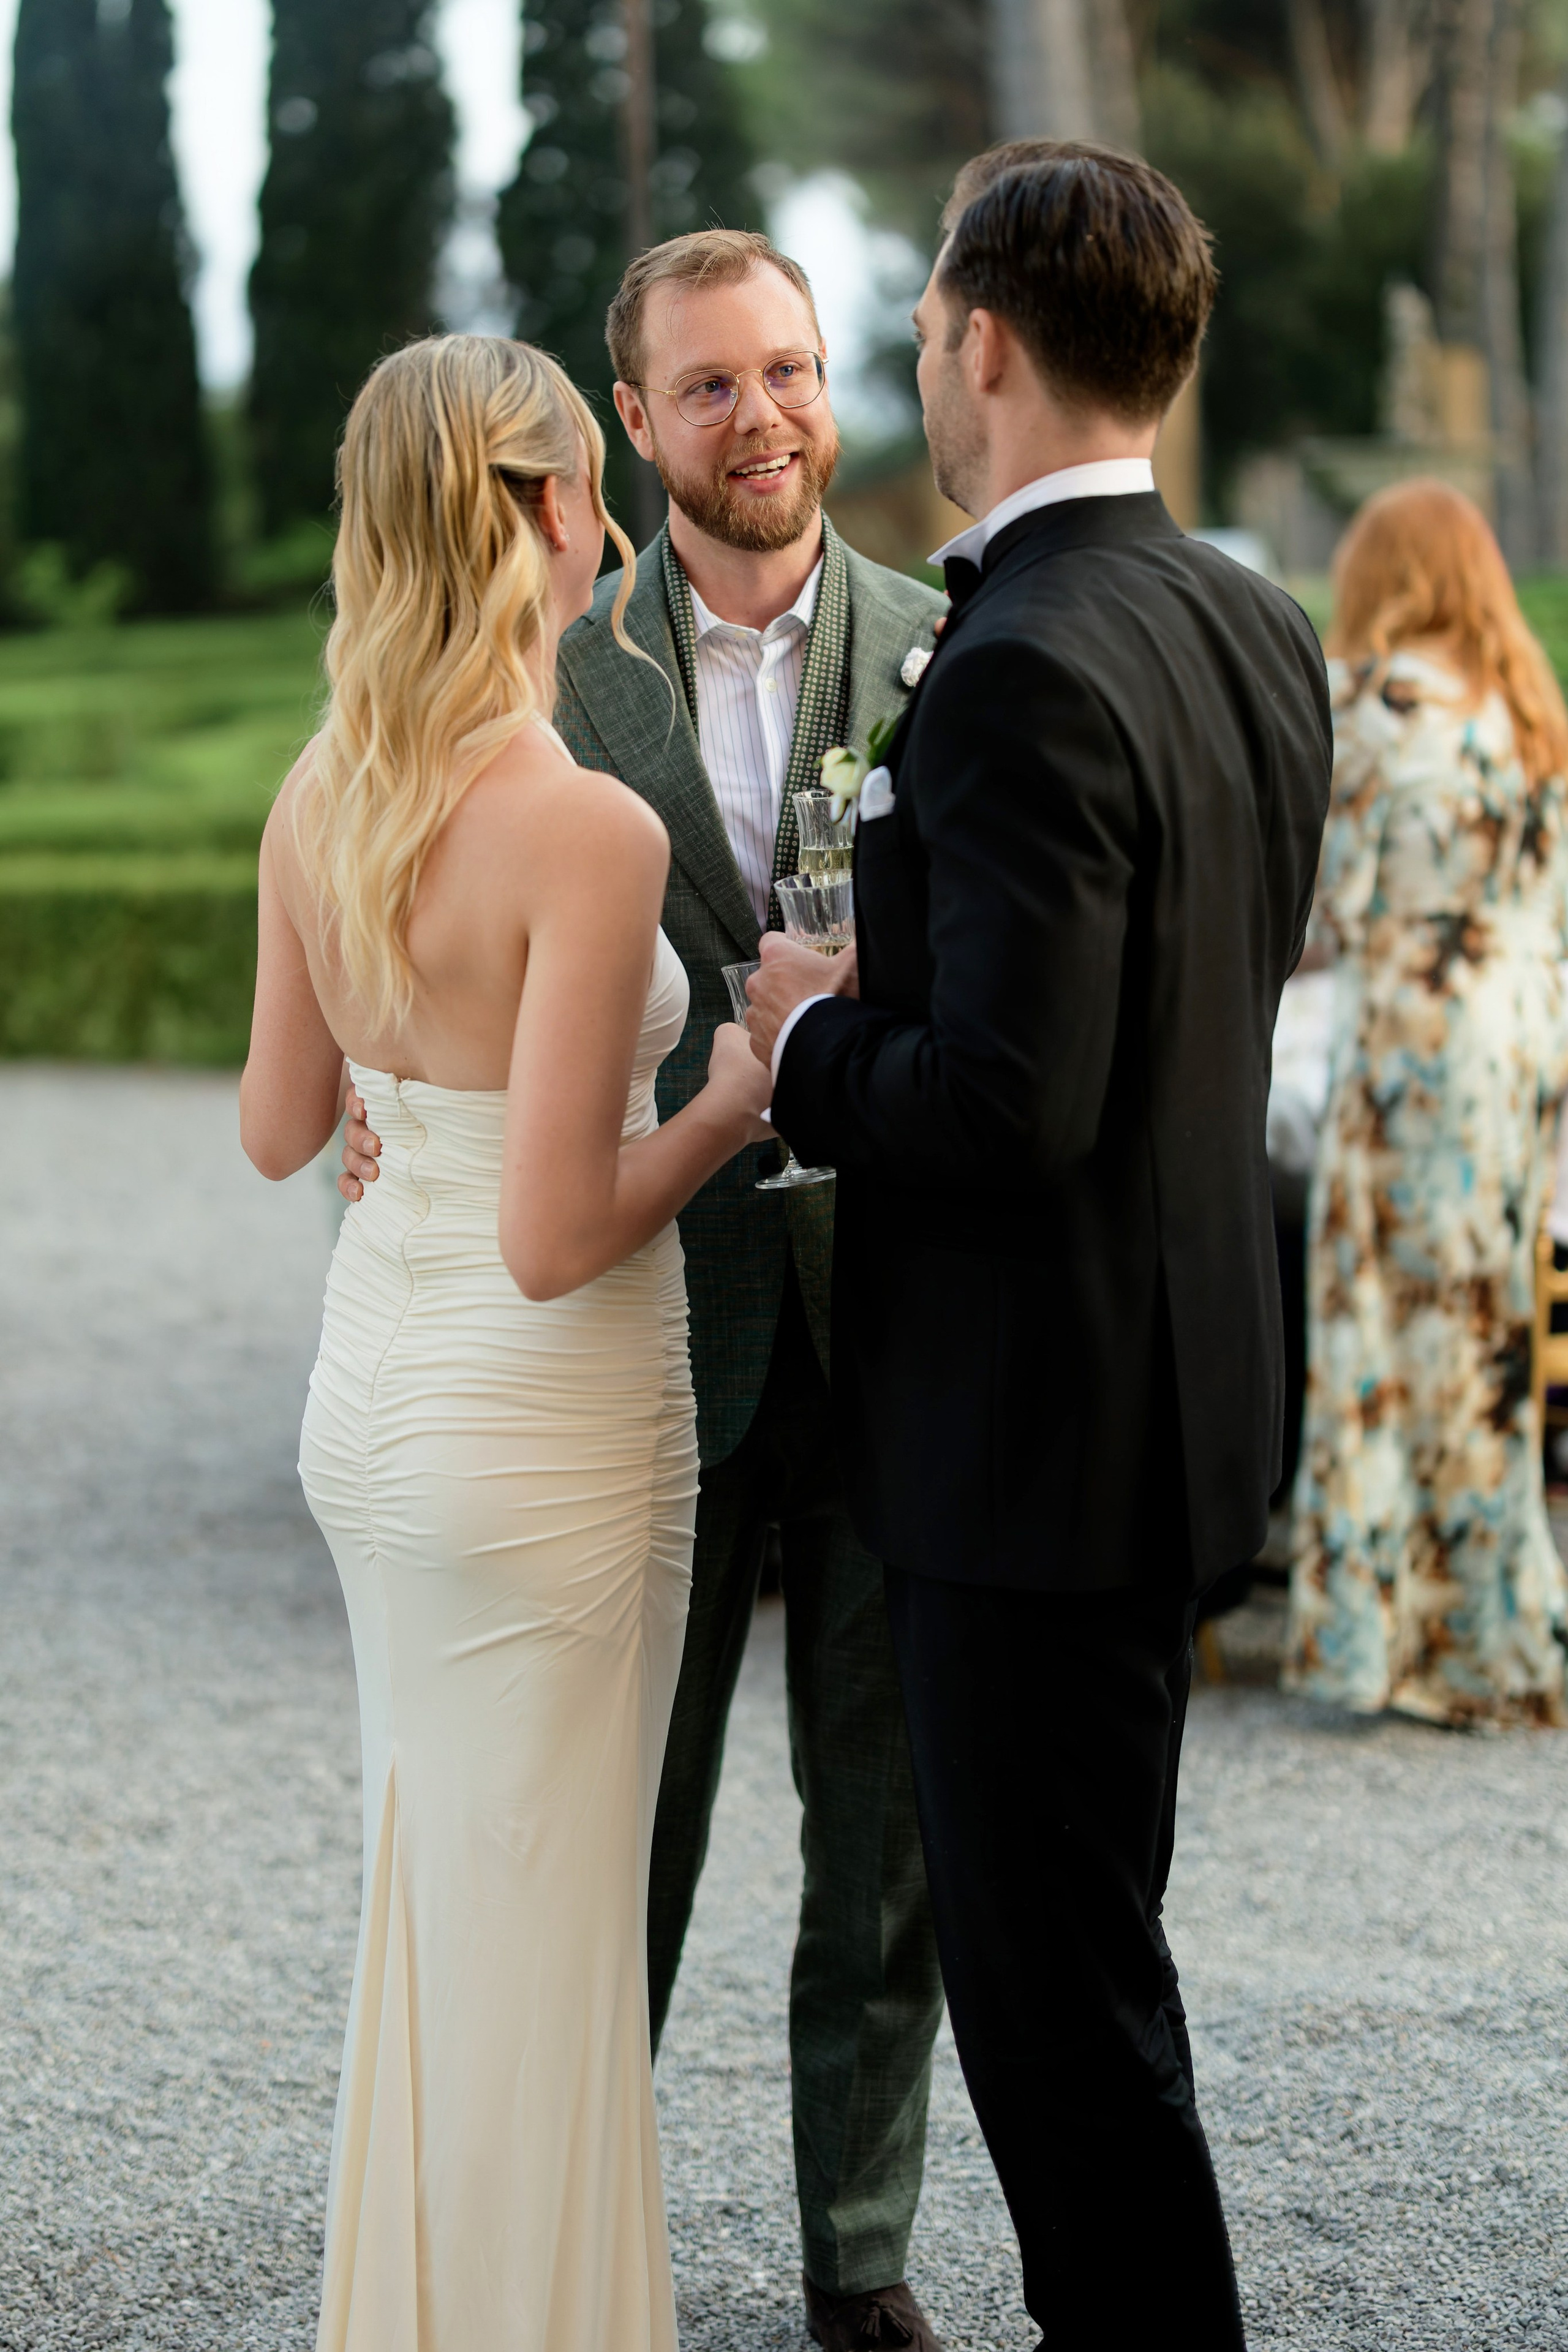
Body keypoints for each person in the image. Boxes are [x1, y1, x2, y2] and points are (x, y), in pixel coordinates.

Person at [339, 230, 950, 2351]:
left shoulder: (952, 648)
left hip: (894, 1316)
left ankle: (859, 2255)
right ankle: (574, 2237)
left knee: (881, 1836)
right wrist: (364, 1085)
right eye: (710, 385)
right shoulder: (547, 670)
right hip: (633, 1328)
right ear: (631, 419)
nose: (765, 414)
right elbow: (404, 888)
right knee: (624, 1819)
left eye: (789, 369)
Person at [747, 141, 1333, 2346]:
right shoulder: (1252, 620)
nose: (919, 363)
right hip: (1181, 1414)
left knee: (1062, 2034)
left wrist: (810, 1046)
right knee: (1099, 1974)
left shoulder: (1008, 664)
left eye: (913, 333)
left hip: (1024, 1456)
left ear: (981, 341)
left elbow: (1010, 1103)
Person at [240, 334, 771, 2350]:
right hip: (542, 1432)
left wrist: (397, 1084)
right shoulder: (587, 833)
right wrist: (730, 1095)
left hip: (374, 1410)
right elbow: (562, 1233)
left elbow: (283, 1125)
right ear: (551, 509)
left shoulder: (328, 784)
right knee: (543, 1944)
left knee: (446, 1907)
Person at [1284, 478, 1568, 1726]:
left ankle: (1385, 1640)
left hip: (1412, 1032)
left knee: (1377, 1329)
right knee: (1487, 1330)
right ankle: (1494, 1630)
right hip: (1518, 1037)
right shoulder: (1523, 709)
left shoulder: (1370, 702)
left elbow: (1324, 906)